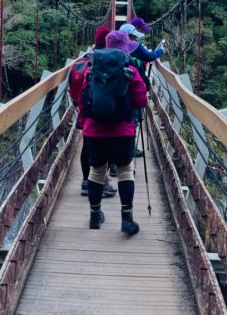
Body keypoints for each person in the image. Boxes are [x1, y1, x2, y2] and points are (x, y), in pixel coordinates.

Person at [78, 30, 148, 234]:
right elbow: (141, 100)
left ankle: (94, 216)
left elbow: (83, 99)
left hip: (94, 131)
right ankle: (127, 219)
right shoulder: (129, 70)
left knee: (97, 171)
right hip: (122, 131)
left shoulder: (90, 69)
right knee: (125, 170)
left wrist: (84, 123)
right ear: (125, 47)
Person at [68, 26, 117, 198]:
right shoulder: (112, 60)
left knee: (87, 146)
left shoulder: (82, 62)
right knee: (107, 146)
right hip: (105, 113)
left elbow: (73, 92)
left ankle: (86, 181)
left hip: (84, 111)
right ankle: (101, 183)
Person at [119, 22, 164, 158]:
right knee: (134, 118)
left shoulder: (113, 47)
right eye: (133, 36)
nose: (136, 38)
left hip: (116, 88)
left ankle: (118, 148)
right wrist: (161, 51)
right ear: (128, 36)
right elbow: (149, 57)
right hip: (133, 86)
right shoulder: (135, 46)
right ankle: (130, 149)